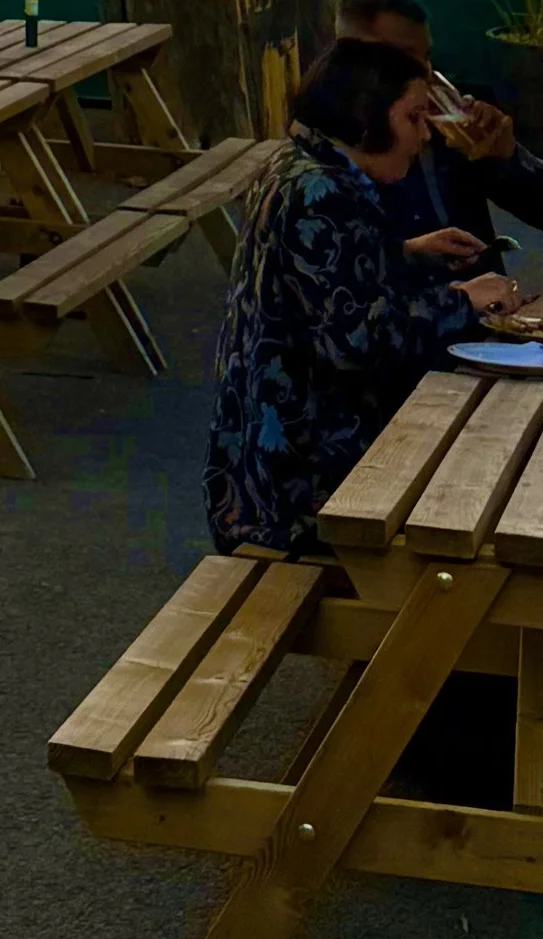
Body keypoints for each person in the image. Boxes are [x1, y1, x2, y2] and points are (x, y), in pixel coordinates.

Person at [207, 37, 516, 554]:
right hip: (297, 490)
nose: (423, 137)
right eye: (415, 117)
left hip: (251, 466)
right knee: (469, 495)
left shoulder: (297, 165)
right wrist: (466, 300)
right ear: (366, 113)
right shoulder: (323, 194)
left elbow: (313, 281)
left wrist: (404, 252)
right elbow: (359, 341)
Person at [337, 0, 543, 257]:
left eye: (427, 57)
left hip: (491, 297)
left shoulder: (447, 122)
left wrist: (508, 157)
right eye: (402, 57)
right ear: (351, 58)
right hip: (427, 299)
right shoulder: (330, 147)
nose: (424, 72)